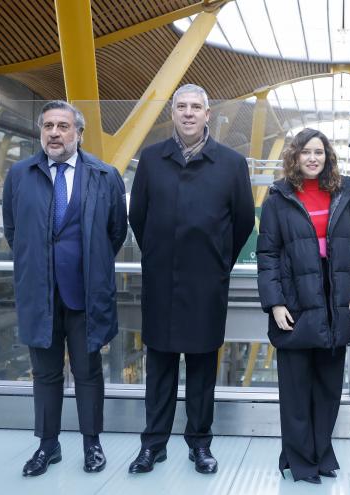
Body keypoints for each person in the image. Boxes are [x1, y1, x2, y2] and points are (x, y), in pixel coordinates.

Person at [127, 84, 254, 474]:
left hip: (205, 284)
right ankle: (154, 444)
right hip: (162, 281)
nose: (187, 113)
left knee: (202, 369)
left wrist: (217, 263)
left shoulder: (231, 164)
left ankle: (200, 444)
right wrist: (160, 255)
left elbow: (244, 222)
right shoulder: (151, 160)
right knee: (160, 366)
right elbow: (138, 216)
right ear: (173, 112)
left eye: (195, 107)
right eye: (180, 106)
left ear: (208, 113)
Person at [2, 100, 127, 477]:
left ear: (79, 134)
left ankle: (92, 445)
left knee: (89, 372)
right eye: (48, 126)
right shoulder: (20, 175)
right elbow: (13, 231)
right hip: (39, 292)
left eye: (63, 126)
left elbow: (115, 233)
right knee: (44, 373)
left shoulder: (105, 176)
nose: (54, 133)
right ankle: (47, 445)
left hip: (86, 293)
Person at [256, 128, 350, 484]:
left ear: (328, 156)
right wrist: (274, 303)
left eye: (319, 152)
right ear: (295, 156)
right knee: (295, 387)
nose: (312, 158)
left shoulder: (342, 196)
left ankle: (321, 454)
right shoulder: (278, 198)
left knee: (328, 387)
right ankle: (301, 461)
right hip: (296, 299)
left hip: (334, 295)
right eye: (306, 152)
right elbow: (268, 255)